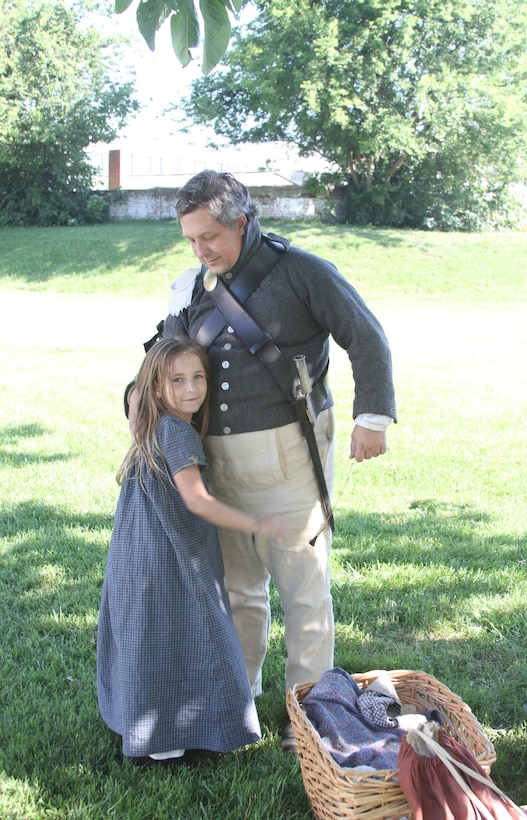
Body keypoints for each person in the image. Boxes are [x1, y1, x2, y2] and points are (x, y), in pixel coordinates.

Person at [142, 170, 397, 751]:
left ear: (241, 222)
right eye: (190, 239)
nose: (200, 249)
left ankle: (311, 712)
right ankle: (243, 696)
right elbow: (161, 362)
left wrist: (372, 417)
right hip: (215, 460)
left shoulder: (305, 272)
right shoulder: (191, 289)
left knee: (303, 587)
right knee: (238, 590)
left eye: (209, 236)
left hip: (291, 453)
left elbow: (367, 335)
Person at [97, 335, 288, 766]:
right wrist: (257, 523)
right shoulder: (177, 432)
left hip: (137, 555)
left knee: (151, 636)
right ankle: (167, 738)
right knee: (185, 634)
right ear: (155, 387)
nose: (191, 389)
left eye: (198, 377)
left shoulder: (147, 423)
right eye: (177, 380)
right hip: (170, 559)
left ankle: (147, 721)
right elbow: (196, 500)